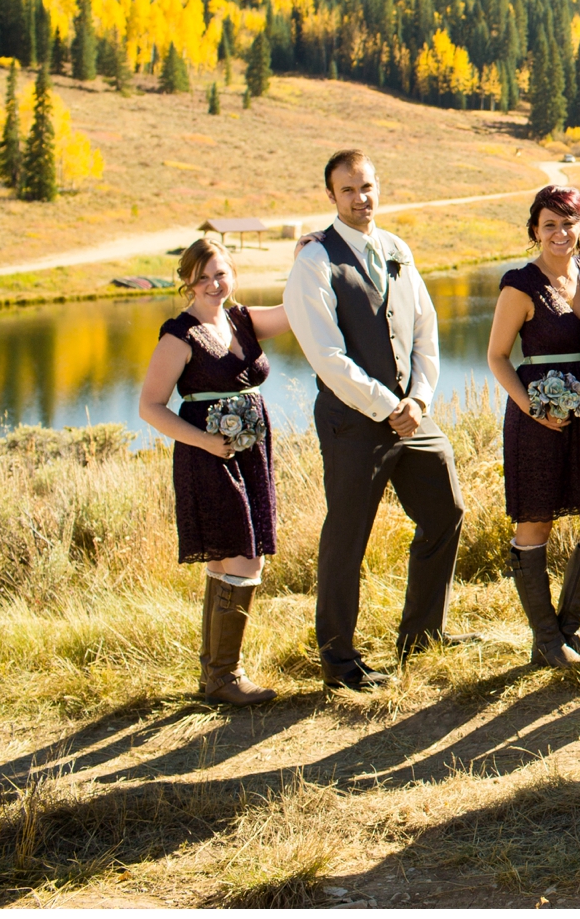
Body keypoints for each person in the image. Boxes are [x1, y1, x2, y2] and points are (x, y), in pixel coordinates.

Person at [284, 149, 467, 692]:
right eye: (348, 190)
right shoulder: (314, 261)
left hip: (412, 416)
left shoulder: (398, 250)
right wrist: (389, 406)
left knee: (445, 511)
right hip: (353, 423)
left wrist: (419, 397)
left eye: (368, 187)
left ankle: (422, 636)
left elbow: (424, 332)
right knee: (347, 538)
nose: (361, 198)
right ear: (331, 197)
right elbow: (326, 356)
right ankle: (339, 663)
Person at [138, 238, 292, 705]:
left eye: (220, 274)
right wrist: (206, 441)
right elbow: (149, 406)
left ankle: (214, 678)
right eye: (203, 277)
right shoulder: (179, 335)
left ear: (233, 274)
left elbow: (296, 310)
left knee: (227, 560)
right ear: (187, 282)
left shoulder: (242, 319)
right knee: (244, 558)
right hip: (208, 456)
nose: (213, 284)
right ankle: (225, 675)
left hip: (249, 454)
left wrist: (307, 257)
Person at [485, 185, 580, 669]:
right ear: (535, 231)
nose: (560, 233)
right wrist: (532, 408)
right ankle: (546, 640)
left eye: (569, 222)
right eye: (549, 225)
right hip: (541, 418)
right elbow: (497, 357)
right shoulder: (520, 284)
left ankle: (570, 630)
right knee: (535, 520)